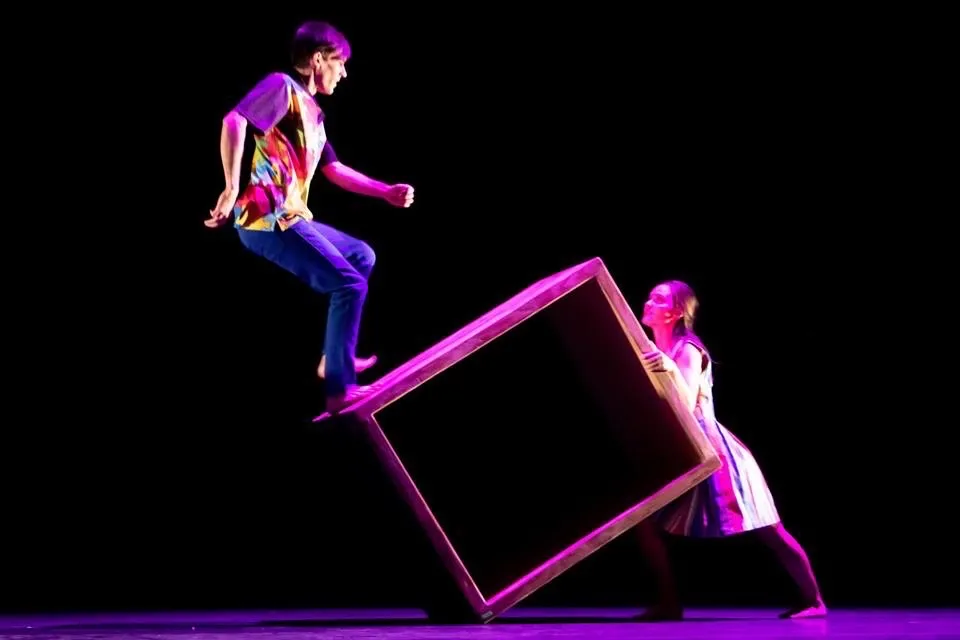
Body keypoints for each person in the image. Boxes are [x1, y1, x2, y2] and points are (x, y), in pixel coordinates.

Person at [204, 20, 414, 413]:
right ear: (318, 60)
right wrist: (231, 186)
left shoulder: (313, 116)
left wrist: (385, 192)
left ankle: (335, 356)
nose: (345, 72)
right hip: (265, 217)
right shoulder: (283, 87)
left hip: (291, 216)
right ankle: (338, 388)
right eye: (340, 63)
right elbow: (234, 121)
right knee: (350, 286)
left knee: (361, 257)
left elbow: (334, 170)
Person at [633, 280, 827, 621]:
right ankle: (669, 602)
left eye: (658, 298)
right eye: (650, 296)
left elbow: (688, 398)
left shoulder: (687, 349)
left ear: (676, 312)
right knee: (645, 522)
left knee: (769, 529)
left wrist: (663, 364)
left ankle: (815, 601)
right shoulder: (661, 349)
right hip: (684, 450)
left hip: (714, 453)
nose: (649, 302)